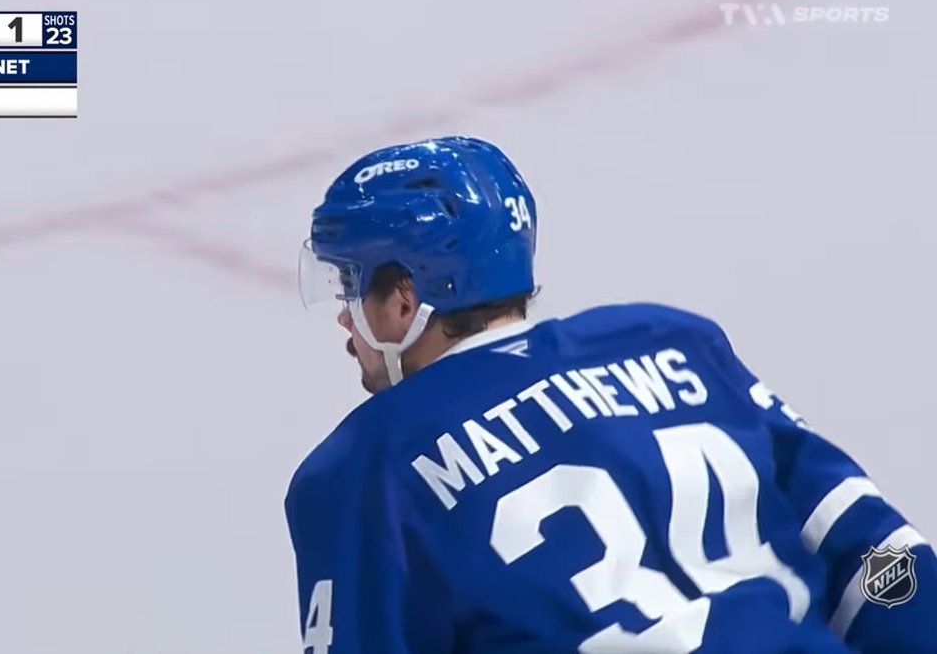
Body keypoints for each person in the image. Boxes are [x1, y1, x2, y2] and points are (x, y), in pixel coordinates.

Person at [286, 136, 935, 653]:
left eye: (350, 285)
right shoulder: (676, 344)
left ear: (405, 298)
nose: (344, 316)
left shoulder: (362, 468)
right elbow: (873, 552)